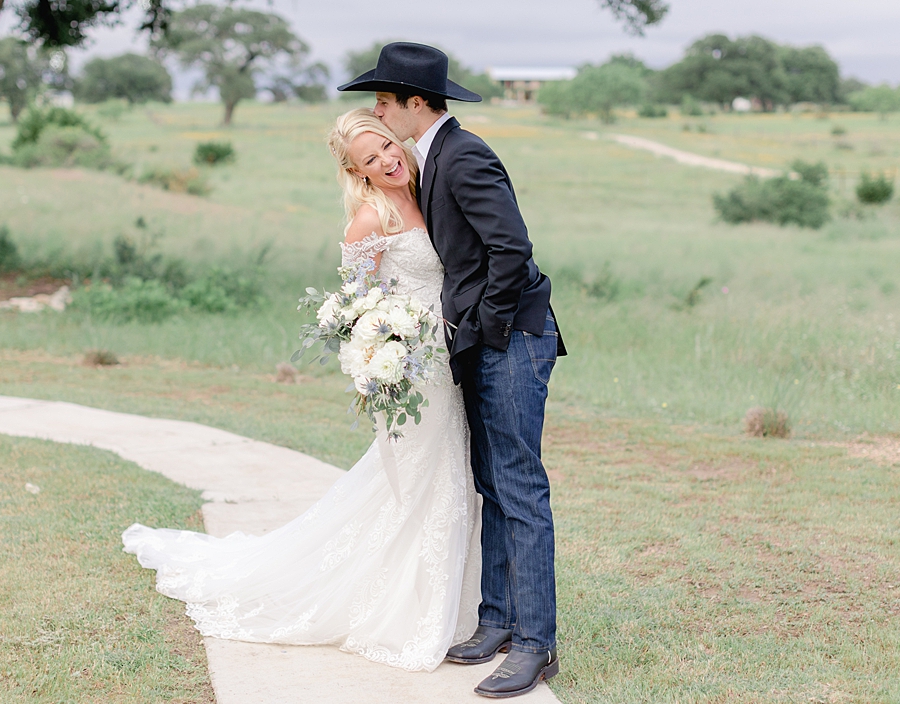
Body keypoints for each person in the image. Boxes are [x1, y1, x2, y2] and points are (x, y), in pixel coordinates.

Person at [121, 109, 481, 672]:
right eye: (370, 159)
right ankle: (408, 610)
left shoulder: (430, 190)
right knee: (416, 486)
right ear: (356, 172)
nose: (387, 160)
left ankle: (458, 604)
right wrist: (383, 360)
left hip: (450, 360)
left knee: (451, 476)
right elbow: (357, 307)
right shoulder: (370, 219)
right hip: (412, 369)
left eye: (386, 146)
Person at [339, 42, 566, 699]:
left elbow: (510, 248)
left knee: (520, 486)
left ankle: (535, 644)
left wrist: (486, 331)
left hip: (512, 339)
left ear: (415, 103)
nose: (378, 115)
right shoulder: (428, 158)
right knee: (493, 483)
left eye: (384, 102)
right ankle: (496, 620)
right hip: (478, 342)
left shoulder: (463, 155)